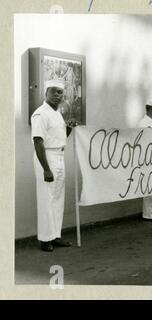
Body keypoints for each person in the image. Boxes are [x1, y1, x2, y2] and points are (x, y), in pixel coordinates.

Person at [31, 79, 77, 252]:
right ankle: (45, 239)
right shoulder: (40, 114)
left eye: (60, 92)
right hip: (46, 157)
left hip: (59, 155)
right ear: (46, 93)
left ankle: (55, 236)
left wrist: (69, 128)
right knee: (46, 199)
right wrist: (46, 169)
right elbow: (38, 141)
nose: (58, 95)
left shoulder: (57, 113)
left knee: (58, 198)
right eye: (54, 92)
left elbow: (59, 137)